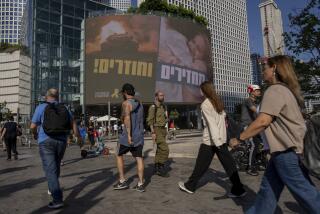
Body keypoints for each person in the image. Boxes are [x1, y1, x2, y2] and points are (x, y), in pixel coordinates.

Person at [230, 55, 320, 214]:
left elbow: (263, 121)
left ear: (274, 69)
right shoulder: (285, 90)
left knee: (306, 194)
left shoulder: (274, 90)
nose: (263, 70)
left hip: (287, 152)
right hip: (283, 151)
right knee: (268, 191)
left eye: (265, 67)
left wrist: (239, 138)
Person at [178, 81, 246, 198]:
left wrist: (218, 142)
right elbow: (223, 122)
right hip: (220, 139)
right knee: (227, 165)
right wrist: (223, 140)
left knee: (202, 165)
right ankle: (238, 189)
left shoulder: (205, 104)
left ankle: (190, 186)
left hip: (211, 141)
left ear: (204, 90)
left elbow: (212, 124)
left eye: (200, 89)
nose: (199, 91)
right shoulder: (217, 102)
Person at [30, 88, 82, 209]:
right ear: (57, 97)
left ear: (46, 96)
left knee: (50, 170)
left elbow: (33, 126)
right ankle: (52, 187)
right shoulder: (65, 108)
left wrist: (35, 133)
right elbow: (73, 123)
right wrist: (78, 137)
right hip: (61, 142)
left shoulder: (41, 107)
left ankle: (57, 199)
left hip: (45, 141)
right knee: (56, 165)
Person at [113, 83, 145, 192]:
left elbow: (127, 119)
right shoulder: (140, 103)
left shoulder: (126, 103)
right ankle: (140, 184)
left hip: (128, 136)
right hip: (139, 135)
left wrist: (129, 135)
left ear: (125, 93)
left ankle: (122, 181)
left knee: (118, 154)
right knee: (139, 158)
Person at [147, 91, 170, 177]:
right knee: (165, 149)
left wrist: (166, 120)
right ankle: (160, 167)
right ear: (156, 97)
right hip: (157, 129)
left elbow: (162, 118)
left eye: (163, 95)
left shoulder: (162, 107)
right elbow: (150, 121)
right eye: (161, 95)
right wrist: (153, 132)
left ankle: (156, 167)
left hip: (163, 129)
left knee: (160, 150)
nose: (163, 97)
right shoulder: (153, 107)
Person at [240, 84, 262, 176]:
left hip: (253, 126)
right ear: (252, 92)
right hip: (247, 126)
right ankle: (250, 167)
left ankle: (257, 162)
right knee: (254, 145)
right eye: (257, 90)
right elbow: (257, 111)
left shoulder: (255, 103)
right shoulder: (248, 101)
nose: (259, 92)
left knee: (260, 143)